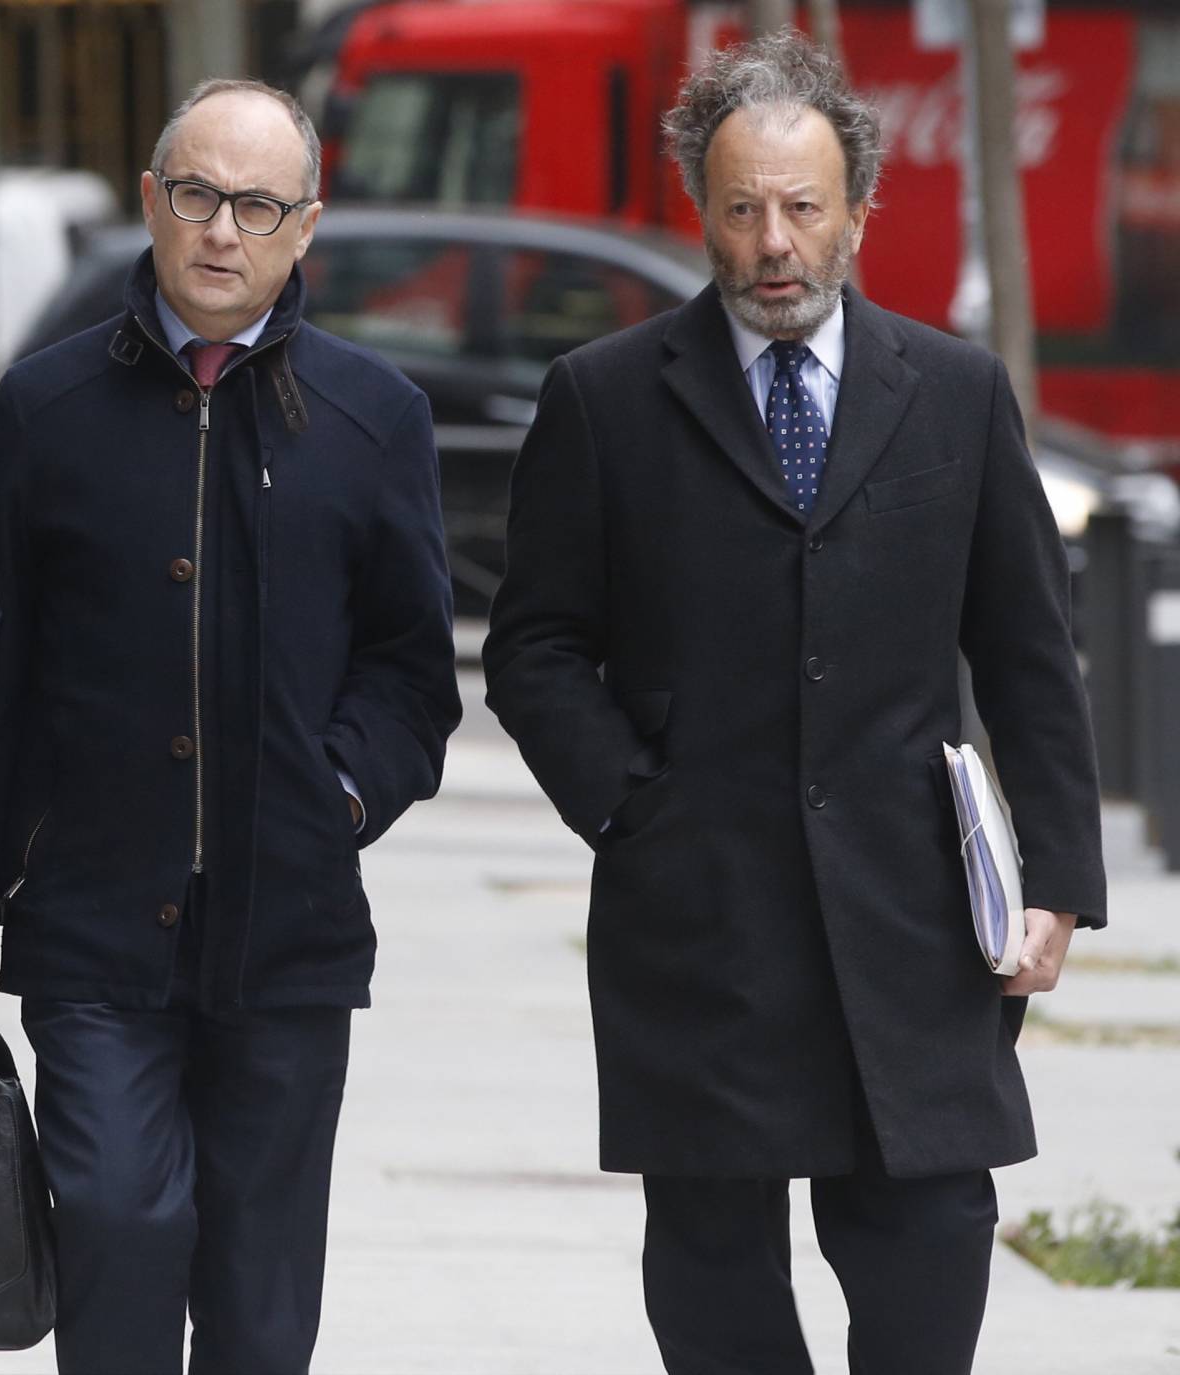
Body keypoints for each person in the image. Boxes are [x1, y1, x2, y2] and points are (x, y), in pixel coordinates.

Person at [482, 32, 1105, 1375]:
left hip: (916, 917)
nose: (774, 242)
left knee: (933, 1235)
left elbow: (1029, 651)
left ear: (859, 216)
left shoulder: (953, 395)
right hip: (696, 917)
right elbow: (535, 645)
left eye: (804, 208)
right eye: (744, 208)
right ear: (700, 212)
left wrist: (1054, 878)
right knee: (709, 1270)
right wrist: (633, 811)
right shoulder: (603, 401)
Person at [0, 78, 460, 1374]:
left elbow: (411, 673)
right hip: (98, 918)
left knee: (262, 1299)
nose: (223, 230)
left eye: (257, 206)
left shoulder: (377, 419)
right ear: (154, 203)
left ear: (305, 226)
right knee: (115, 1217)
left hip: (292, 931)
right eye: (199, 195)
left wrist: (337, 794)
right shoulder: (48, 409)